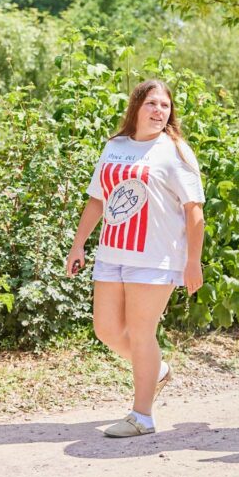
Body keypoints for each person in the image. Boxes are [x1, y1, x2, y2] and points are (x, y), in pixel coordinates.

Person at [65, 79, 206, 437]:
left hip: (155, 256)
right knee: (107, 330)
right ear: (137, 107)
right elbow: (98, 199)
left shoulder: (175, 150)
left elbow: (194, 210)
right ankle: (155, 370)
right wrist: (79, 243)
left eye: (165, 105)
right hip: (112, 251)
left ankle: (142, 416)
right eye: (152, 104)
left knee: (142, 333)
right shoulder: (115, 146)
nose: (160, 111)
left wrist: (193, 261)